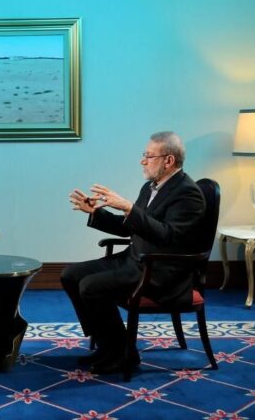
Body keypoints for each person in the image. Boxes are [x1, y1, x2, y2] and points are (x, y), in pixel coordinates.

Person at [61, 131, 206, 374]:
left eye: (149, 156)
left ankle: (123, 353)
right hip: (135, 260)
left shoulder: (188, 193)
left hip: (161, 271)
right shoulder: (150, 187)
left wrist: (129, 207)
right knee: (70, 274)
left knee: (91, 286)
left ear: (168, 160)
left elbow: (169, 235)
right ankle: (107, 345)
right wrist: (95, 212)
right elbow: (129, 227)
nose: (142, 161)